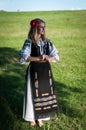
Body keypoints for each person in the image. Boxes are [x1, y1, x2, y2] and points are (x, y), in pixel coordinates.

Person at [20, 18, 59, 127]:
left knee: (43, 93)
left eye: (44, 27)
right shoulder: (29, 41)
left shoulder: (47, 42)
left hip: (45, 72)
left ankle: (41, 117)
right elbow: (24, 57)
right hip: (34, 71)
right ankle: (31, 117)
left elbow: (56, 56)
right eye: (41, 27)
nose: (44, 29)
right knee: (32, 93)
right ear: (35, 28)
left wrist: (47, 58)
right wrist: (39, 58)